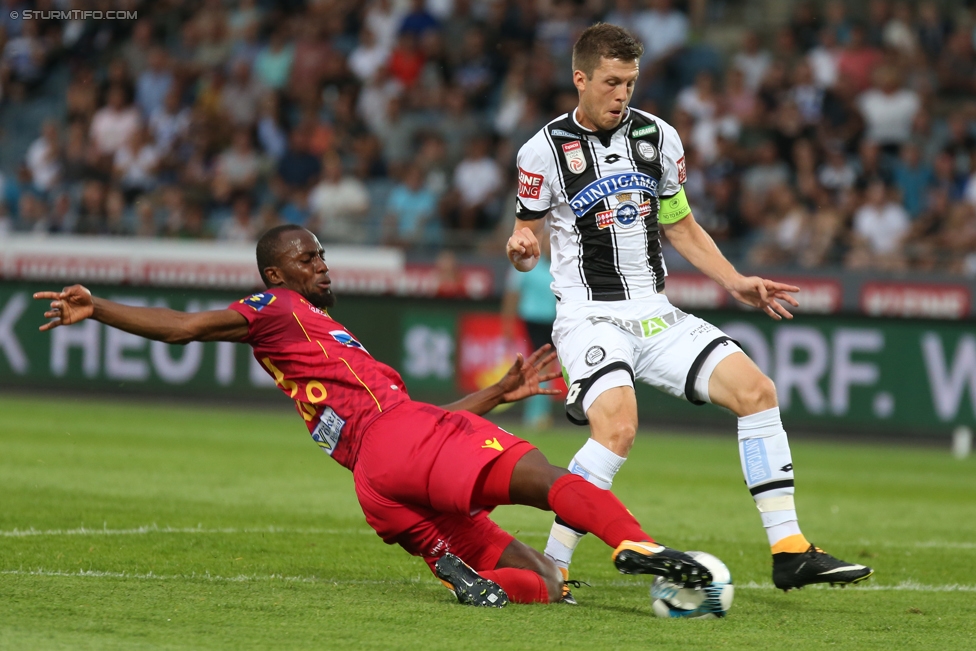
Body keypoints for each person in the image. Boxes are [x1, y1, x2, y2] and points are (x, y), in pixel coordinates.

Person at [34, 225, 713, 608]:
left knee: (548, 582)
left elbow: (411, 427)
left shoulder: (320, 338)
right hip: (397, 446)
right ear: (277, 273)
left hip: (379, 485)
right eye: (308, 257)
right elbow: (184, 326)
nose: (322, 264)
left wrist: (495, 395)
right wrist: (101, 309)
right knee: (548, 476)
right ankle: (637, 545)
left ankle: (472, 582)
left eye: (323, 253)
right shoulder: (276, 309)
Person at [505, 23, 873, 594]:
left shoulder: (660, 138)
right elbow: (526, 236)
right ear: (580, 79)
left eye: (629, 82)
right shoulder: (542, 150)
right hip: (590, 317)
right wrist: (522, 249)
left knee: (758, 392)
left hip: (656, 313)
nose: (622, 94)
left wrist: (735, 281)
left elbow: (679, 224)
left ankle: (790, 550)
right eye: (610, 82)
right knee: (617, 429)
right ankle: (553, 562)